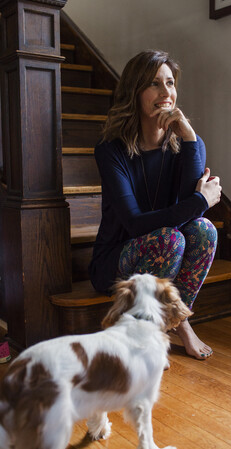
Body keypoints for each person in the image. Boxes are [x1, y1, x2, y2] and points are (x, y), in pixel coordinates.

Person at [89, 50, 222, 360]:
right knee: (169, 238)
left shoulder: (189, 144)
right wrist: (201, 199)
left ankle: (173, 323)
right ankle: (152, 333)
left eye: (170, 83)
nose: (166, 93)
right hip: (115, 260)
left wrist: (188, 136)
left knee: (203, 230)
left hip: (164, 250)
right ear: (134, 93)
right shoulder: (111, 150)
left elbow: (192, 215)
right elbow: (134, 224)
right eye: (154, 84)